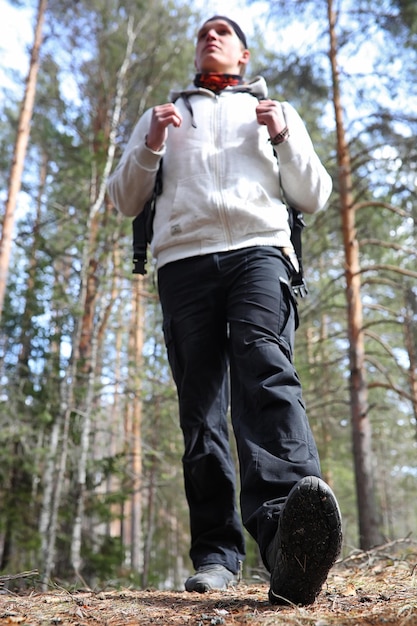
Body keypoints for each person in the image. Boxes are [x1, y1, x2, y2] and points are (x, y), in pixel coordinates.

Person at [108, 15, 342, 606]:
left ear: (243, 53)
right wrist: (150, 144)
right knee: (201, 409)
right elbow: (122, 199)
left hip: (259, 254)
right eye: (204, 32)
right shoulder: (164, 114)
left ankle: (291, 541)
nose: (210, 36)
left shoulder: (275, 111)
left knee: (264, 366)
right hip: (184, 263)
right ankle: (216, 556)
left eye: (223, 32)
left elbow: (314, 194)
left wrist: (284, 134)